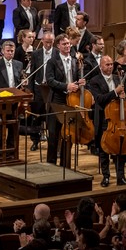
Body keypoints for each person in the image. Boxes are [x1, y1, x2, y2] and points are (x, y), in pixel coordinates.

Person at [87, 55, 126, 186]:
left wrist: (124, 95)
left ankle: (120, 176)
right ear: (101, 67)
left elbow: (124, 96)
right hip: (104, 118)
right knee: (104, 149)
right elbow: (99, 99)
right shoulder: (94, 81)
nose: (110, 67)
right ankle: (106, 176)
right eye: (107, 65)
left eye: (111, 64)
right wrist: (115, 92)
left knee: (120, 149)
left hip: (118, 120)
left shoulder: (118, 78)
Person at [45, 33, 83, 166]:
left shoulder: (74, 60)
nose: (67, 46)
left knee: (68, 134)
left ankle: (65, 165)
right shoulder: (52, 62)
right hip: (57, 100)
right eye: (64, 44)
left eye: (68, 43)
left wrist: (80, 83)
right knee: (54, 134)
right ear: (58, 46)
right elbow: (50, 81)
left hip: (71, 100)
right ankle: (51, 164)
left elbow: (77, 78)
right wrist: (66, 86)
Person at [0, 40, 23, 156]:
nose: (10, 53)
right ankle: (0, 152)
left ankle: (11, 150)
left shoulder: (19, 64)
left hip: (14, 100)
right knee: (0, 127)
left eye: (12, 51)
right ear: (2, 51)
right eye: (8, 51)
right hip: (1, 100)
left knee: (13, 126)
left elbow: (18, 80)